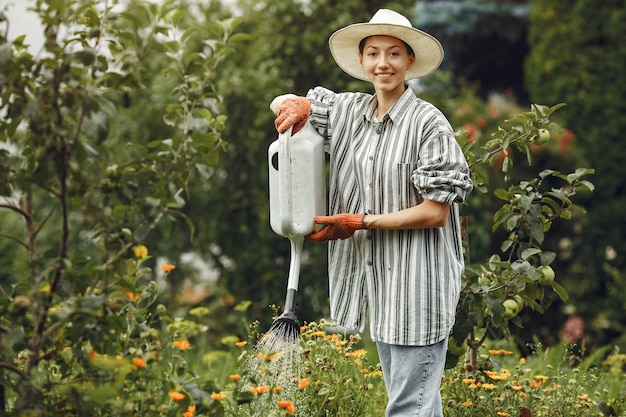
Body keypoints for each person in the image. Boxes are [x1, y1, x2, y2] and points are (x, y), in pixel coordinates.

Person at [270, 9, 472, 417]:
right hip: (380, 286)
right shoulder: (348, 114)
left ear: (410, 61)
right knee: (418, 406)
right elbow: (288, 104)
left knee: (406, 408)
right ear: (361, 61)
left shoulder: (428, 124)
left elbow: (435, 213)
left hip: (419, 285)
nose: (384, 63)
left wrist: (359, 222)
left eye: (394, 54)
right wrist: (294, 105)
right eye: (374, 53)